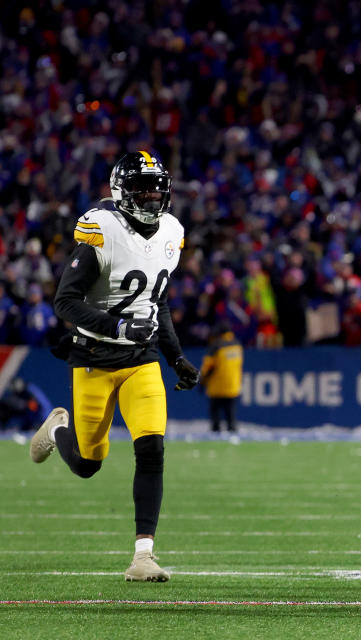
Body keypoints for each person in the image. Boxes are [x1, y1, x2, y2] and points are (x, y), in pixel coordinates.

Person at [28, 151, 200, 582]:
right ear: (121, 190)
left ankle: (143, 556)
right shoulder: (102, 230)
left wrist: (175, 356)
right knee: (88, 463)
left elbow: (157, 302)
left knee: (152, 449)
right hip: (94, 360)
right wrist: (117, 325)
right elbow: (65, 302)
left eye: (157, 185)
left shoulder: (171, 232)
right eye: (142, 186)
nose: (151, 194)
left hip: (141, 362)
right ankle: (56, 428)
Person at [200, 322, 244, 433]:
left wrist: (202, 381)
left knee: (216, 419)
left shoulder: (216, 346)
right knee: (231, 417)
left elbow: (209, 366)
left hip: (217, 387)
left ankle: (216, 435)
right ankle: (233, 436)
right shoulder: (237, 344)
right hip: (233, 386)